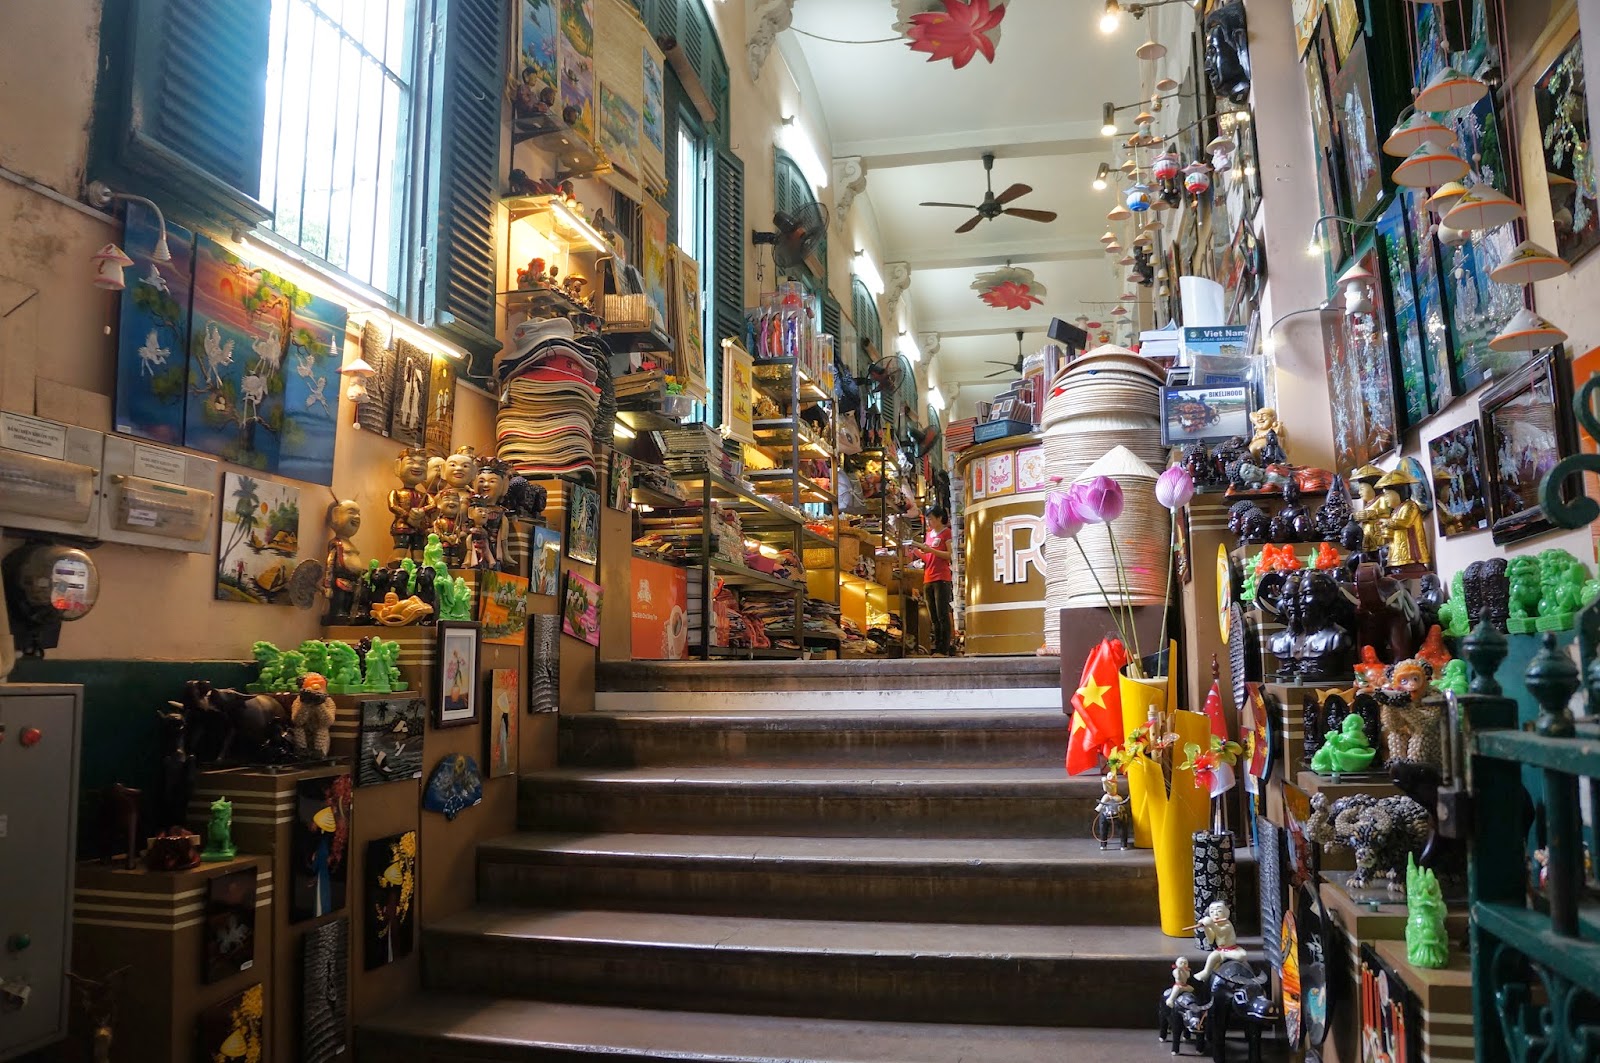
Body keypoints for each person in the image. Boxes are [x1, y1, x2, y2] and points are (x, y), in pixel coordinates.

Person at [905, 504, 955, 655]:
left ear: (939, 518)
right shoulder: (929, 535)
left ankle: (943, 648)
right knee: (933, 615)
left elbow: (949, 555)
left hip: (942, 577)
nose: (929, 522)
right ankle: (937, 647)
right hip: (928, 577)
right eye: (927, 519)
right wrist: (916, 551)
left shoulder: (947, 533)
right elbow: (928, 558)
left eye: (931, 519)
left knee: (942, 614)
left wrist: (930, 550)